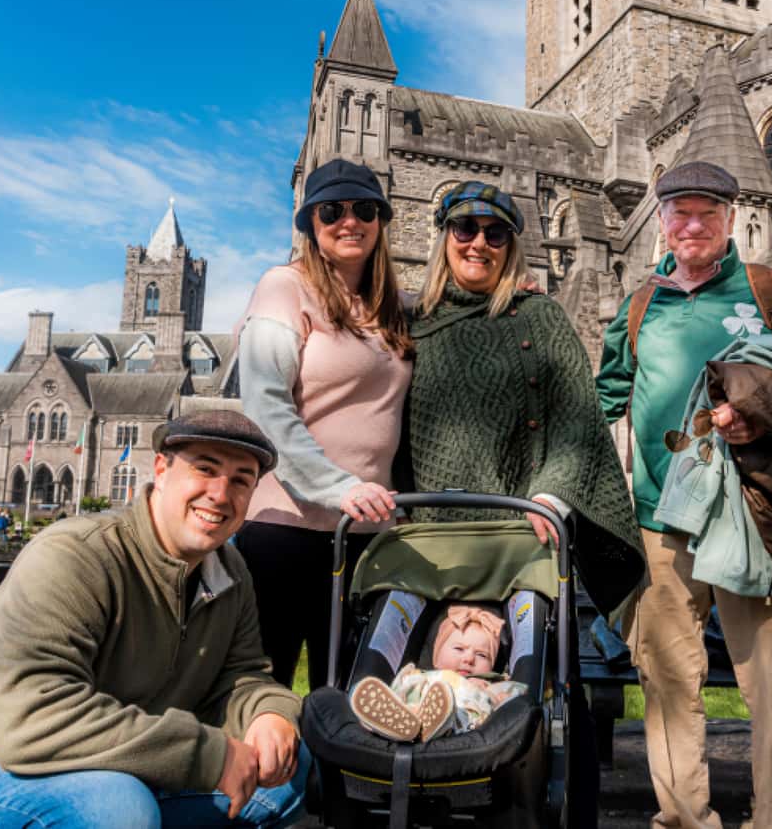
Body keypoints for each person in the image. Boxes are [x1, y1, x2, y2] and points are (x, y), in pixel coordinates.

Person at [0, 411, 310, 829]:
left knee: (286, 771)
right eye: (205, 470)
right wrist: (212, 756)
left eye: (241, 481)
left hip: (112, 768)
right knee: (115, 806)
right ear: (161, 469)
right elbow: (31, 721)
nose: (221, 494)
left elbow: (242, 674)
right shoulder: (74, 556)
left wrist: (269, 714)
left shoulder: (229, 570)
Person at [401, 180, 645, 829]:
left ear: (512, 247)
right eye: (465, 229)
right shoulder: (411, 323)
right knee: (432, 663)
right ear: (444, 238)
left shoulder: (540, 317)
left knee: (540, 680)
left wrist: (551, 494)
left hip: (523, 538)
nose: (478, 242)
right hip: (430, 543)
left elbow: (577, 419)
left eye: (495, 233)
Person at [597, 160, 772, 829]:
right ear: (661, 222)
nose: (693, 225)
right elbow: (603, 399)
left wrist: (761, 412)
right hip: (661, 520)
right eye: (680, 213)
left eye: (707, 213)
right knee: (666, 681)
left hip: (757, 514)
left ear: (732, 219)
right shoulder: (639, 306)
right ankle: (685, 820)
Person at [237, 158, 413, 690]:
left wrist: (516, 290)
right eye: (331, 211)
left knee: (350, 700)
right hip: (285, 529)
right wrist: (339, 488)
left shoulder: (396, 307)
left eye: (364, 209)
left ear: (380, 219)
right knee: (265, 694)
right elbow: (266, 405)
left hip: (368, 537)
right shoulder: (283, 287)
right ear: (311, 224)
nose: (349, 221)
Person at [349, 605, 526, 742]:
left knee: (460, 713)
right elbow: (406, 686)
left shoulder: (488, 684)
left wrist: (500, 699)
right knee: (407, 686)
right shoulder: (424, 675)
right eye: (459, 649)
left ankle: (430, 725)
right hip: (414, 709)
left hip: (460, 720)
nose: (469, 659)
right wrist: (405, 683)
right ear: (437, 656)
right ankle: (388, 719)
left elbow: (517, 693)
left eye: (481, 655)